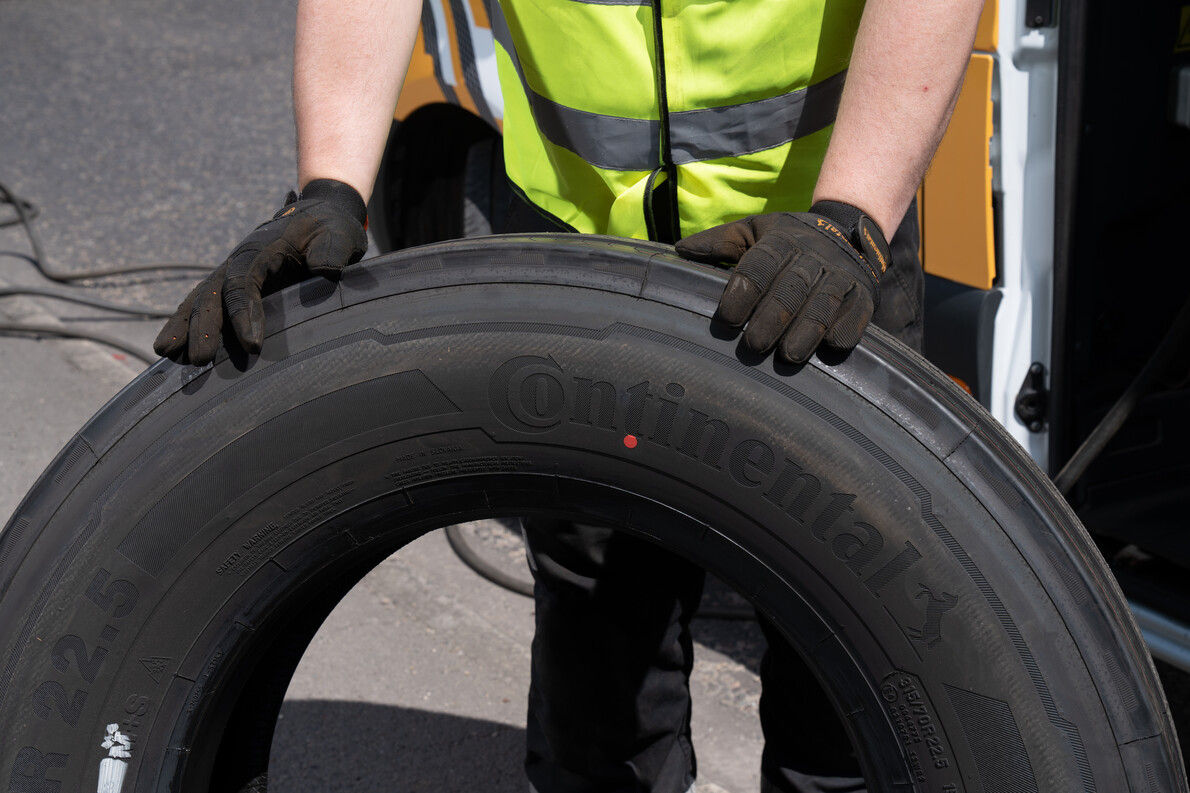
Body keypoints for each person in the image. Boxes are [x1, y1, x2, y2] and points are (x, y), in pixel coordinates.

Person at [154, 0, 985, 790]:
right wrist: (329, 186)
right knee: (598, 653)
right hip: (578, 238)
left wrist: (852, 215)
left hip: (813, 245)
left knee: (846, 658)